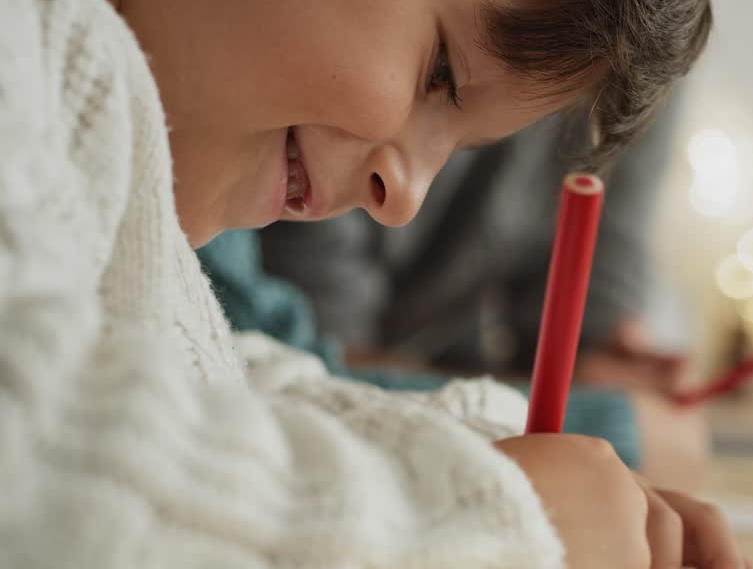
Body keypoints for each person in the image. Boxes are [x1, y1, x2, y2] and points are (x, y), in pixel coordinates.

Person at [0, 0, 753, 569]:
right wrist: (489, 534)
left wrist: (499, 457)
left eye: (457, 147)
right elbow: (46, 479)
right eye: (440, 74)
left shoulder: (100, 123)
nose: (404, 199)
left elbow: (223, 383)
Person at [198, 105, 709, 489]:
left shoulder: (650, 40)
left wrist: (609, 374)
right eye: (440, 71)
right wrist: (612, 424)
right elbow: (301, 367)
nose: (403, 200)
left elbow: (596, 336)